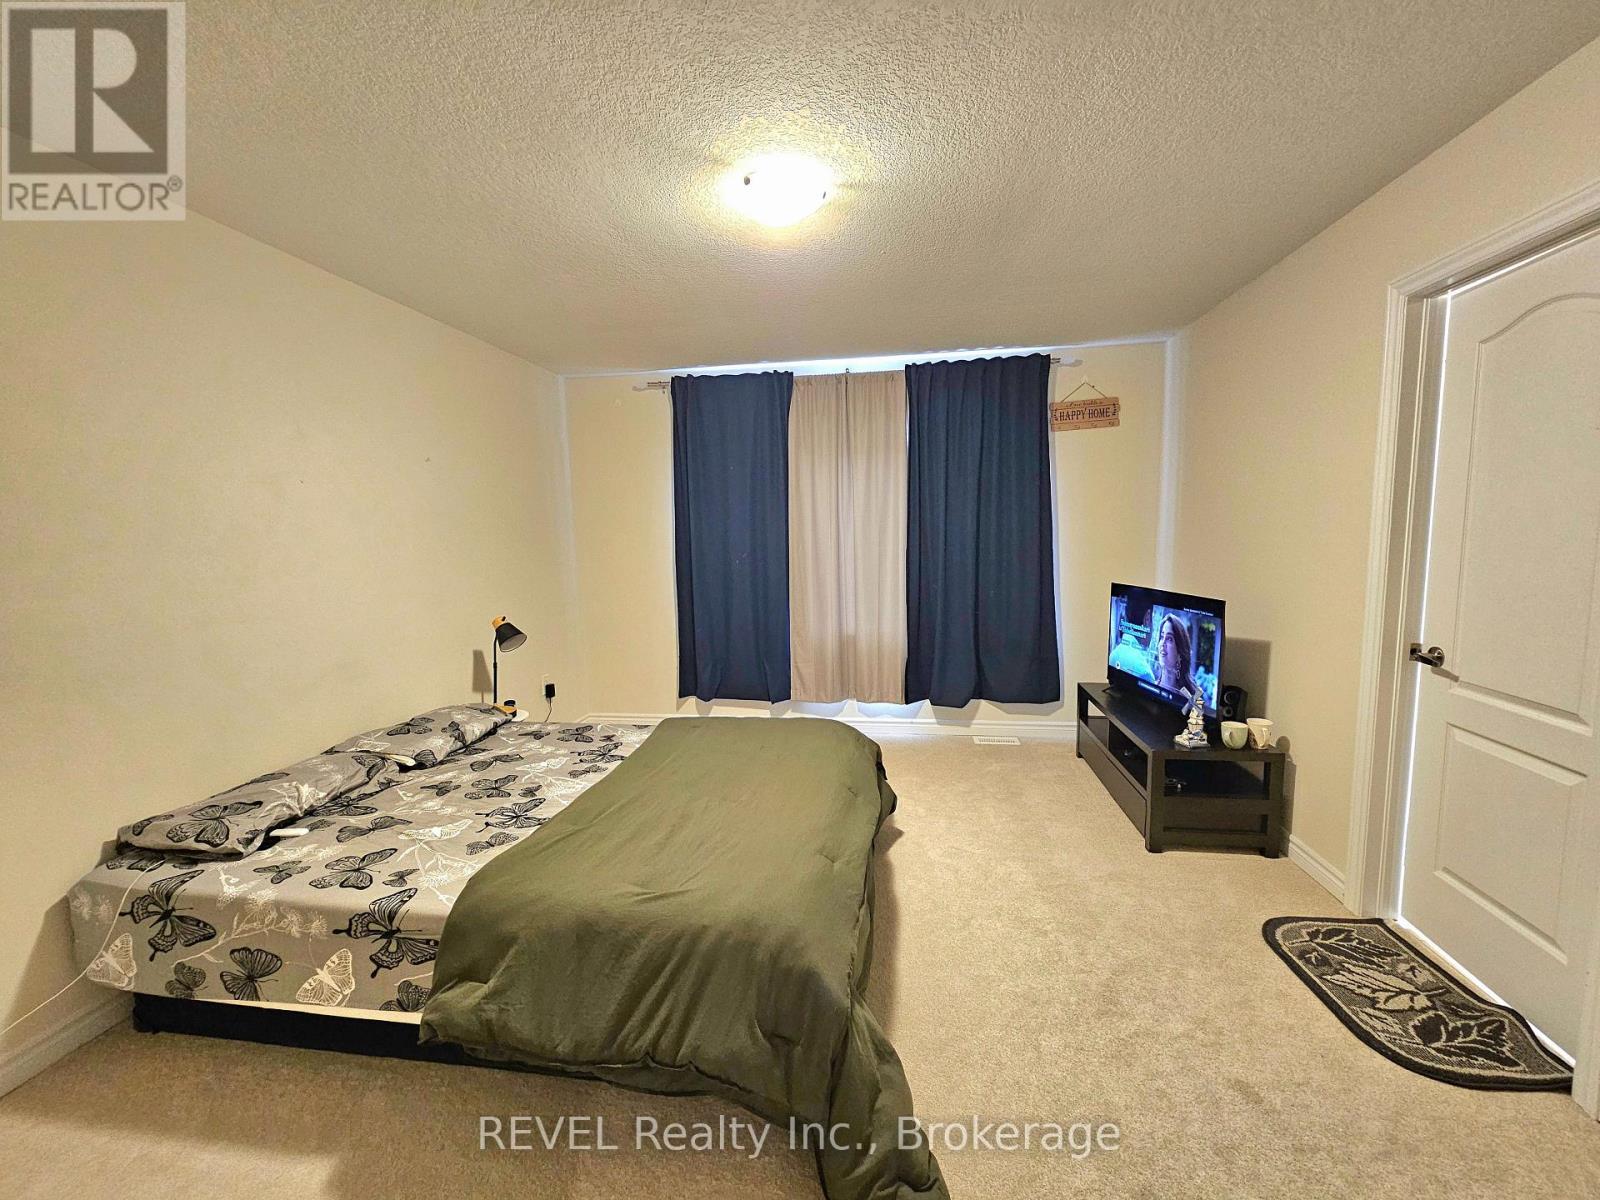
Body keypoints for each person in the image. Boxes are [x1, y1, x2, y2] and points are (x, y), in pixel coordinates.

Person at [1151, 613, 1198, 704]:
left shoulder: (1191, 699)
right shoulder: (1151, 685)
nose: (1163, 643)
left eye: (1169, 639)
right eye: (1162, 637)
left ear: (1180, 652)